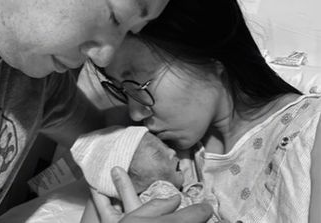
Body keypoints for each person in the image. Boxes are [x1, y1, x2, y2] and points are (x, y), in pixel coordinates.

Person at [0, 0, 187, 222]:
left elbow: (109, 140)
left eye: (130, 31)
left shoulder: (35, 80)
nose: (103, 58)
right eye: (115, 17)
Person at [89, 0, 321, 222]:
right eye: (121, 89)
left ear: (207, 52)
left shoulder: (309, 132)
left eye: (137, 84)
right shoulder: (141, 148)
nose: (135, 113)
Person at [70, 125, 221, 223]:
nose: (171, 151)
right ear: (129, 182)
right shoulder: (159, 193)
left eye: (165, 146)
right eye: (157, 153)